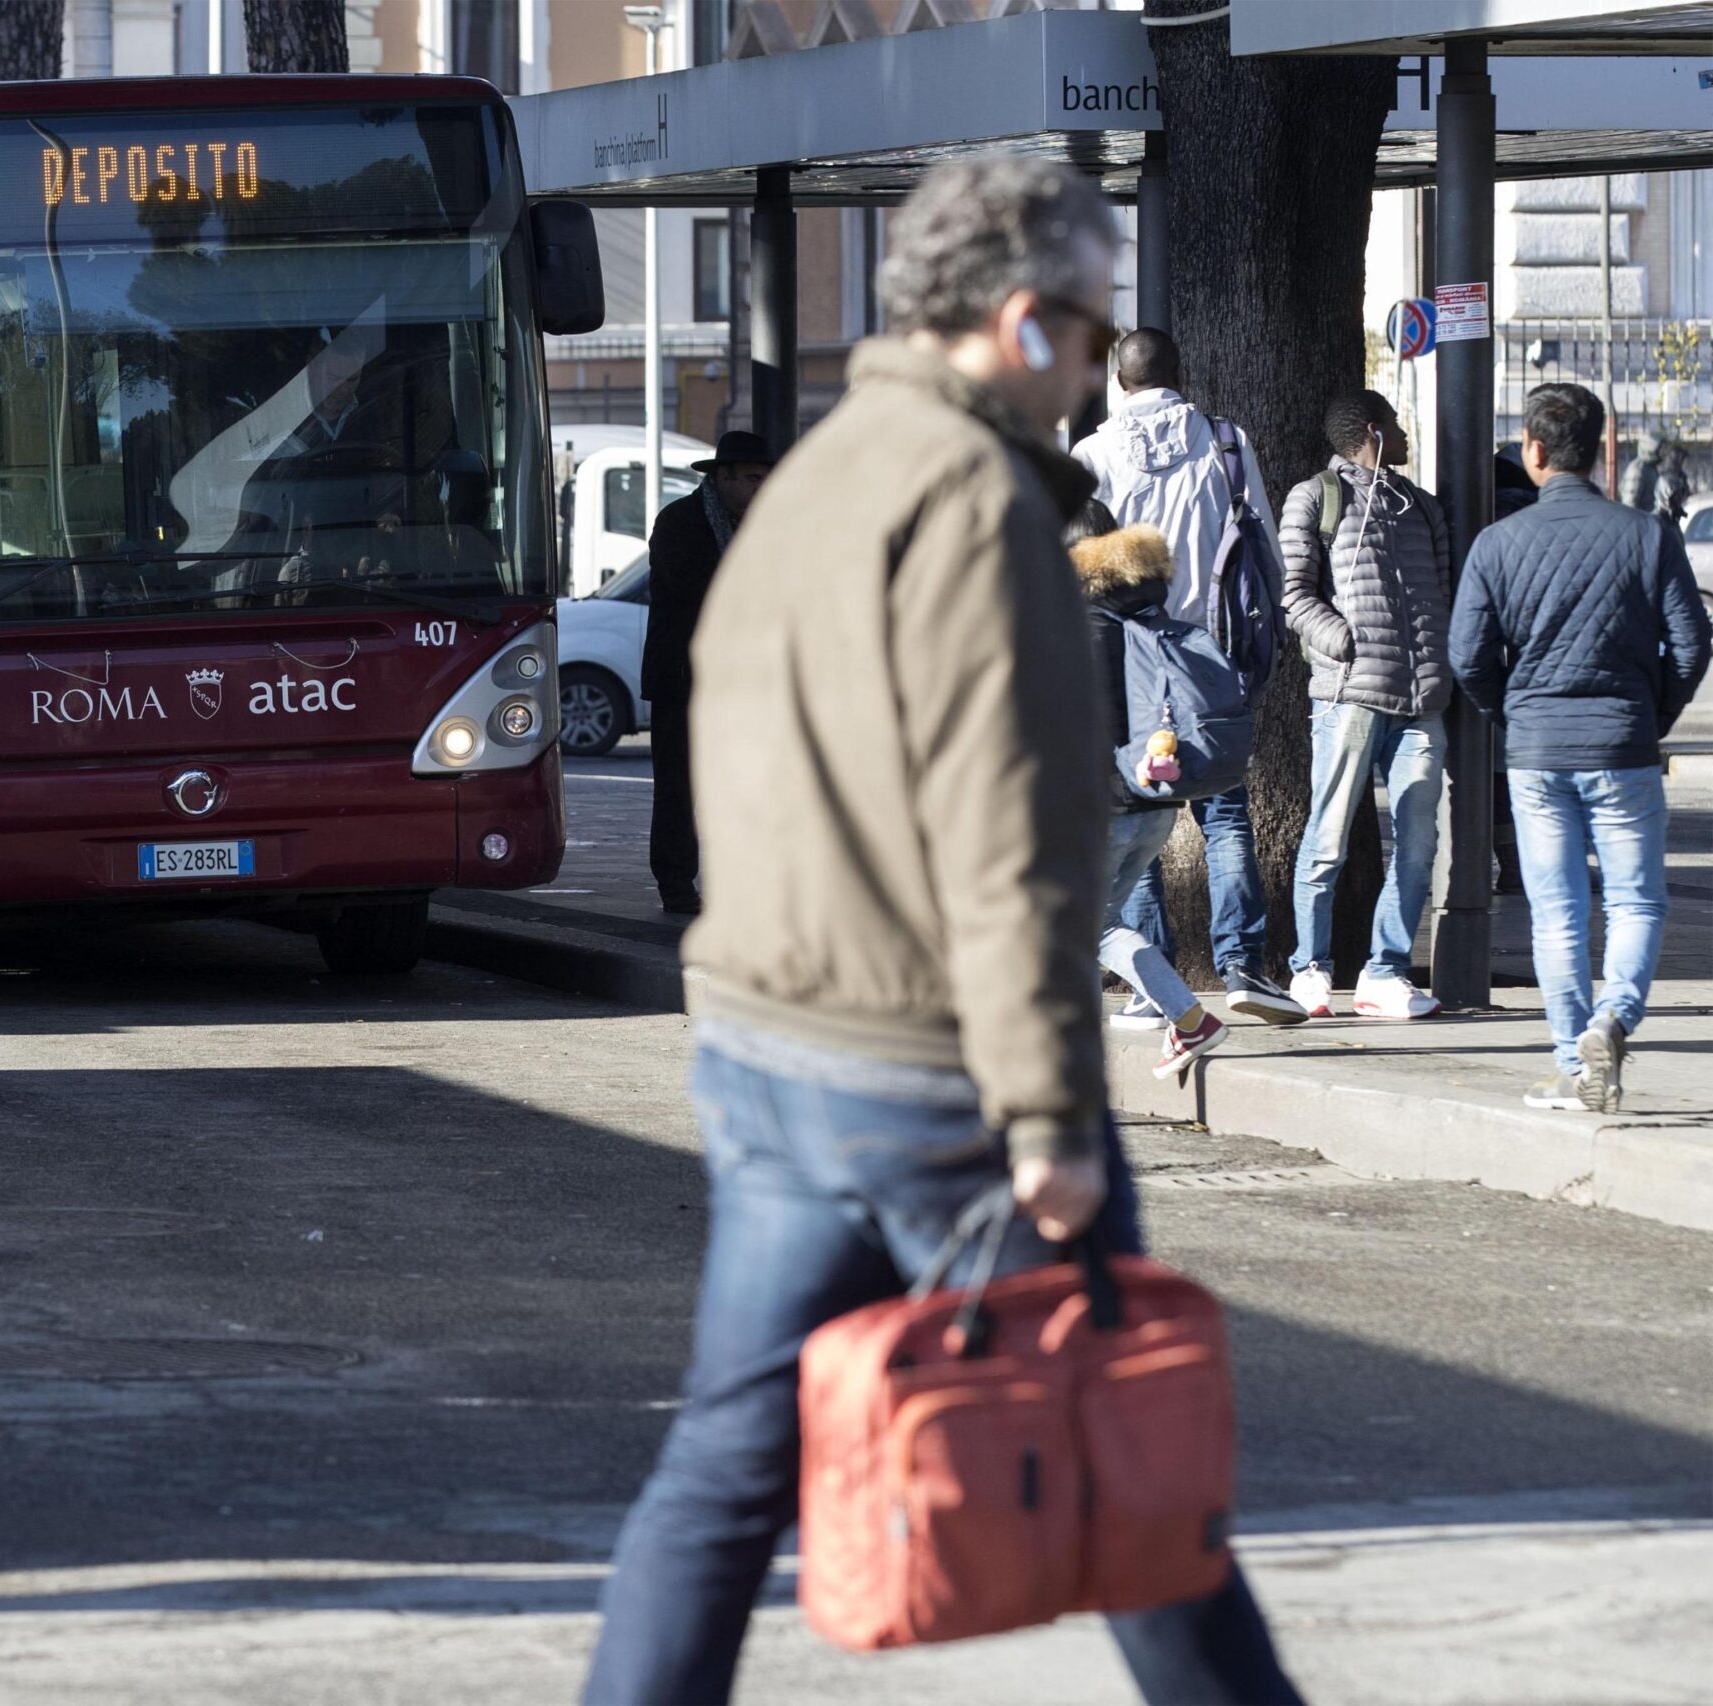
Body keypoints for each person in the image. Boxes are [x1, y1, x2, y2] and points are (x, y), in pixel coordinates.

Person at [583, 156, 1300, 1706]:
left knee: (719, 1474)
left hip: (773, 1044)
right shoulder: (982, 506)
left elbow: (739, 763)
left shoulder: (821, 478)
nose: (1102, 367)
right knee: (1133, 1464)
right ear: (1027, 321)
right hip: (933, 1074)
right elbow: (1015, 844)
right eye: (1097, 330)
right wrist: (1048, 1114)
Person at [1451, 382, 1711, 1112]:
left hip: (1536, 753)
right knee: (1636, 901)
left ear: (1532, 451)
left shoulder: (1497, 544)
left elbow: (1467, 655)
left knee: (1556, 911)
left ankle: (1575, 1064)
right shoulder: (1645, 536)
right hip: (1623, 744)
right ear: (1599, 450)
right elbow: (1692, 646)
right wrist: (1649, 713)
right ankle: (1613, 1019)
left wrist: (1513, 712)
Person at [1072, 330, 1301, 1028]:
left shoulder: (1093, 452)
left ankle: (1153, 979)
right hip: (1210, 654)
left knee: (1135, 803)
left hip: (1126, 651)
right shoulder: (1225, 442)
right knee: (1225, 810)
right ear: (1184, 372)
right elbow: (1260, 538)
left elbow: (1076, 550)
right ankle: (1243, 966)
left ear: (1118, 379)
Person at [1276, 390, 1452, 1021]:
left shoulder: (1421, 507)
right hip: (1348, 697)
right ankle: (1310, 970)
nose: (1406, 437)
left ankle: (1386, 972)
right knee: (1327, 838)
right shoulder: (1315, 496)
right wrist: (1344, 645)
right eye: (1398, 427)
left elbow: (1446, 589)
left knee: (1418, 843)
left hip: (1421, 698)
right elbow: (1293, 594)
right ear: (1374, 431)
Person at [1067, 502, 1232, 1078]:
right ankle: (1184, 1023)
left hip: (1098, 806)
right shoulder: (1145, 607)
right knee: (1100, 922)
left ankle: (1187, 1020)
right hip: (1154, 801)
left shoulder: (1071, 623)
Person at [641, 430, 775, 914]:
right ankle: (675, 885)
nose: (762, 488)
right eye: (754, 479)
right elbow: (695, 588)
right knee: (679, 787)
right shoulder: (680, 522)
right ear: (723, 478)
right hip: (684, 676)